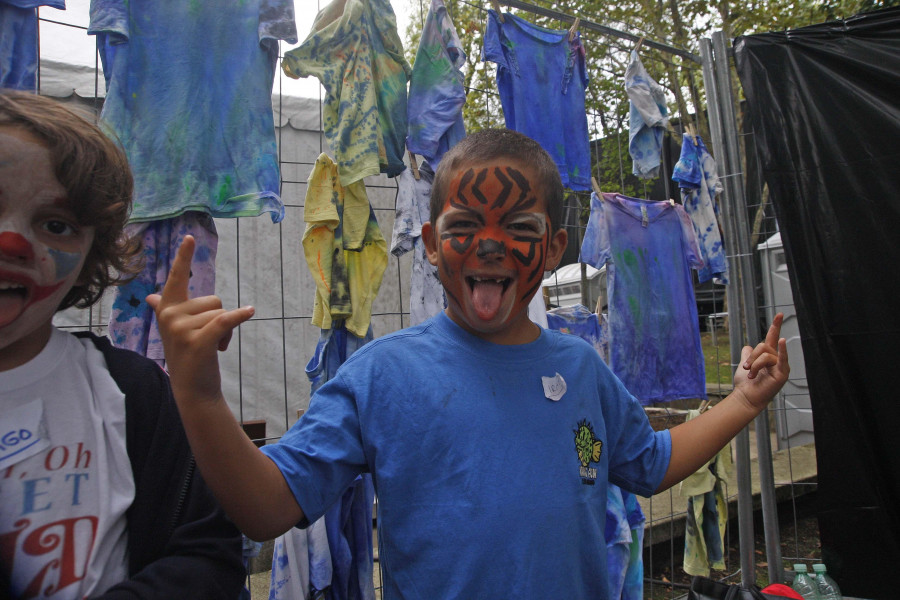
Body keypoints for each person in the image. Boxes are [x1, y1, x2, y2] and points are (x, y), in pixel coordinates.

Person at [149, 128, 790, 599]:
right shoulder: (383, 376)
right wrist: (200, 396)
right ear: (429, 246)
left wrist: (743, 402)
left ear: (555, 246)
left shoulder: (581, 369)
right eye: (464, 226)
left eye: (518, 224)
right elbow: (265, 510)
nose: (489, 243)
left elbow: (649, 464)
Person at [0, 91, 244, 599]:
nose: (13, 242)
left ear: (92, 254)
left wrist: (200, 396)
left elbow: (208, 555)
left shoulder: (133, 393)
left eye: (56, 225)